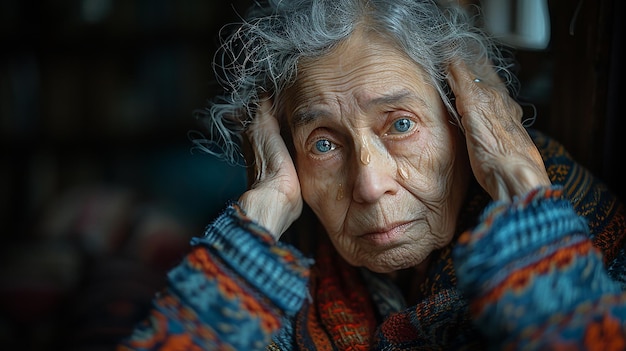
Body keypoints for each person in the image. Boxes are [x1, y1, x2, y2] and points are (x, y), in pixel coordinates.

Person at [117, 0, 626, 349]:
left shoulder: (594, 243)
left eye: (401, 124)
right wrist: (261, 209)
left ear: (467, 124)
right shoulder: (265, 279)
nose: (367, 184)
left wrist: (522, 186)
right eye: (323, 143)